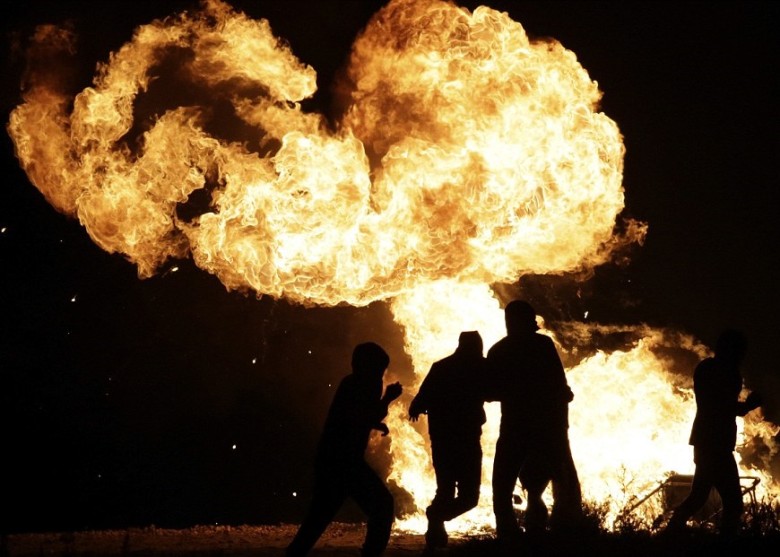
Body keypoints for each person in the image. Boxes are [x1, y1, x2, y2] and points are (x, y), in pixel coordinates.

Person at [286, 342, 403, 557]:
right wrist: (387, 399)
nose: (381, 374)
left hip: (336, 460)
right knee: (381, 506)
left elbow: (357, 416)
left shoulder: (354, 383)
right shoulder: (357, 384)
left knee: (318, 518)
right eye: (379, 369)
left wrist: (376, 423)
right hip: (342, 462)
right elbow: (362, 415)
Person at [485, 300, 582, 544]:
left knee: (504, 481)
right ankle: (566, 527)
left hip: (516, 425)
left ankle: (508, 531)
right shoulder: (543, 345)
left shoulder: (499, 351)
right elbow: (560, 385)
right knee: (561, 478)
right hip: (548, 425)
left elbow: (490, 392)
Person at [664, 329, 762, 537]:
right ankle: (723, 543)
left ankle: (671, 533)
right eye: (740, 351)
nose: (742, 357)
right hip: (715, 445)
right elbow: (720, 406)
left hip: (707, 442)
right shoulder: (722, 372)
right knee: (733, 502)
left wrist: (744, 406)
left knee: (699, 496)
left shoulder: (708, 369)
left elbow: (719, 404)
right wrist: (748, 405)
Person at [409, 331, 487, 551]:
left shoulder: (441, 367)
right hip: (465, 440)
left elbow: (419, 401)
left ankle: (435, 522)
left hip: (443, 440)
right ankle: (436, 520)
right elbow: (497, 391)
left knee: (445, 490)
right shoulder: (479, 368)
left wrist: (418, 407)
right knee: (469, 497)